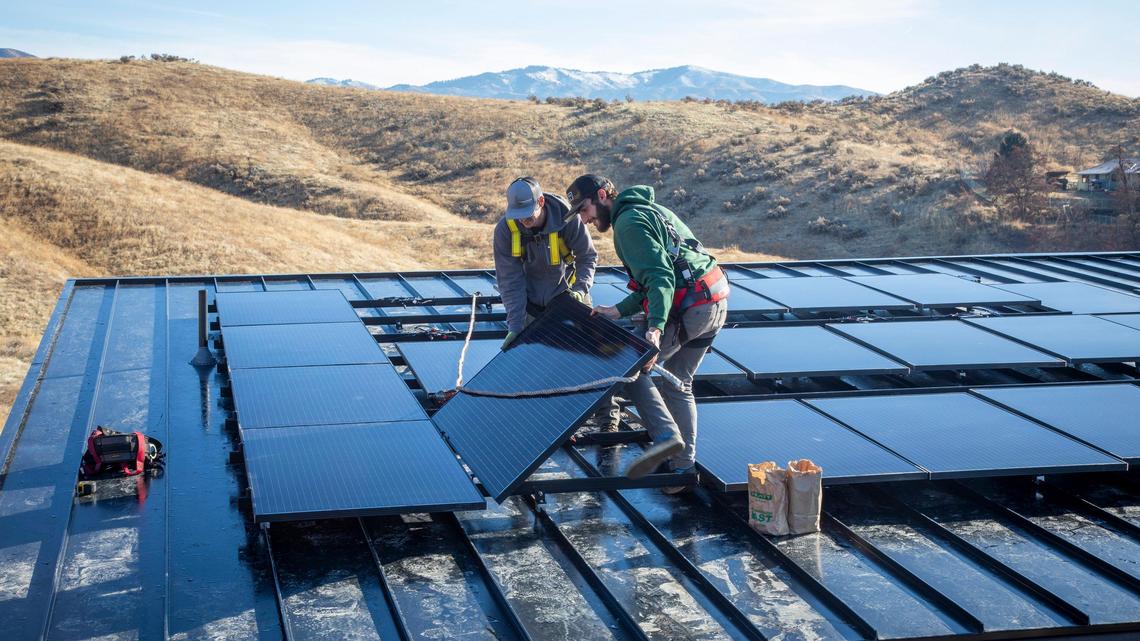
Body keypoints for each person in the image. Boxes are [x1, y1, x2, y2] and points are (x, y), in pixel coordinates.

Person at [566, 174, 729, 489]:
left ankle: (666, 437)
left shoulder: (627, 226)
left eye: (584, 209)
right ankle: (682, 471)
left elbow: (660, 279)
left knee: (629, 368)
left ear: (602, 196)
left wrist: (654, 329)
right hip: (715, 301)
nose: (584, 220)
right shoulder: (652, 209)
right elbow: (665, 272)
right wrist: (619, 310)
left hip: (690, 309)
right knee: (679, 384)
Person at [493, 176, 598, 345]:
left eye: (527, 213)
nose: (522, 220)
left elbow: (587, 256)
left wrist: (580, 289)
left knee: (586, 350)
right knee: (533, 361)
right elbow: (509, 281)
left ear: (540, 201)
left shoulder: (567, 219)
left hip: (570, 296)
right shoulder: (506, 230)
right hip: (530, 305)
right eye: (517, 214)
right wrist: (515, 326)